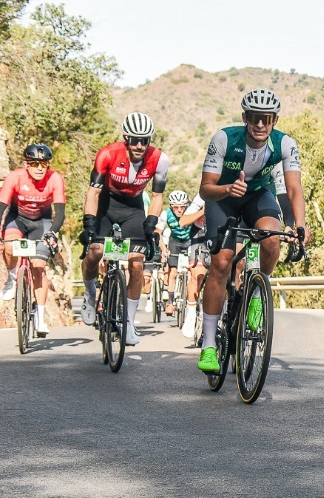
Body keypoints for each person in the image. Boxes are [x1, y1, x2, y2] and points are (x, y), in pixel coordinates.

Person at [196, 89, 308, 374]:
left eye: (266, 119)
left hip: (258, 197)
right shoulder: (224, 139)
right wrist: (227, 188)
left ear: (274, 120)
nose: (260, 125)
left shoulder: (284, 144)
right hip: (223, 198)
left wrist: (299, 225)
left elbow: (294, 188)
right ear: (245, 117)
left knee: (272, 238)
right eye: (255, 118)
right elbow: (205, 189)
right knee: (221, 263)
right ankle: (209, 344)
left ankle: (257, 294)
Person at [81, 113, 169, 344]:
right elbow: (94, 192)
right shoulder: (108, 154)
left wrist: (151, 222)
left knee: (137, 261)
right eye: (134, 140)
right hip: (107, 204)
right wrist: (89, 223)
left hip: (133, 206)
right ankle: (90, 296)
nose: (139, 145)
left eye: (144, 140)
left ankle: (129, 322)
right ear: (125, 138)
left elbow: (158, 196)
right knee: (95, 251)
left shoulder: (159, 159)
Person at [1, 143, 66, 336]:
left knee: (39, 267)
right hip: (17, 219)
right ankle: (12, 278)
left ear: (48, 165)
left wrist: (52, 232)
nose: (39, 168)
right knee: (9, 247)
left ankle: (40, 317)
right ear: (26, 164)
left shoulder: (54, 178)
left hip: (42, 222)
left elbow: (60, 213)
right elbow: (2, 205)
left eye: (43, 164)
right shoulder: (15, 177)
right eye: (34, 163)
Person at [156, 189, 206, 327]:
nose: (179, 210)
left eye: (182, 207)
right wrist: (164, 249)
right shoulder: (166, 214)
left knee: (193, 272)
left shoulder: (191, 211)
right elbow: (158, 232)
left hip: (190, 240)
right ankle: (170, 302)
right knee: (172, 272)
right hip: (175, 241)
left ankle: (192, 297)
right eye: (176, 207)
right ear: (171, 206)